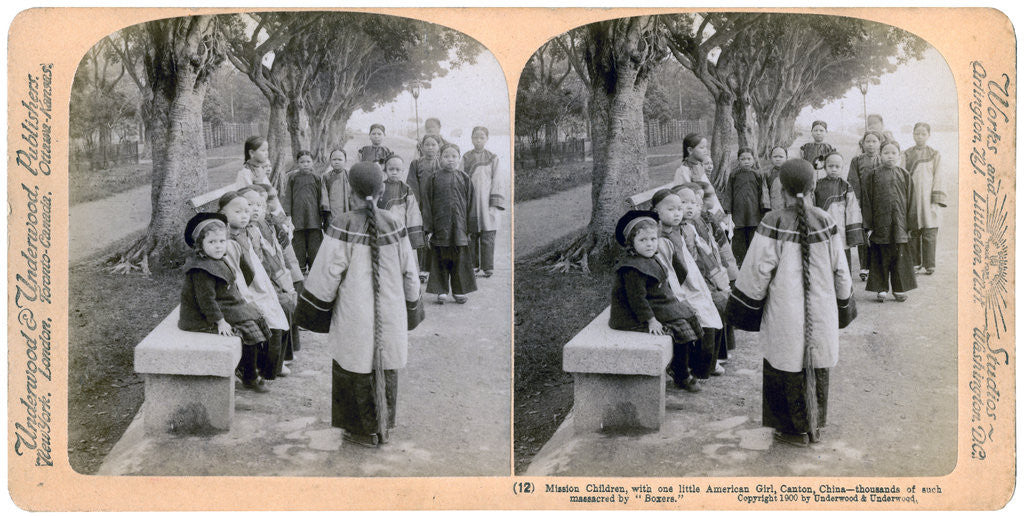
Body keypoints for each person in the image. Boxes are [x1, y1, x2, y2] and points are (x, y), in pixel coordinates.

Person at [726, 158, 856, 447]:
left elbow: (757, 271)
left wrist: (744, 309)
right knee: (816, 359)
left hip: (785, 312)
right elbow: (841, 269)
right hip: (821, 310)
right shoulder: (826, 221)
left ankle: (791, 430)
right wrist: (843, 304)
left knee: (785, 359)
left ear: (781, 188)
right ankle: (814, 424)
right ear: (813, 186)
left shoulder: (772, 221)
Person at [295, 161, 422, 448]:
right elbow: (410, 272)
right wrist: (412, 307)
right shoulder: (395, 223)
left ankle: (362, 431)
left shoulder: (342, 224)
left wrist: (313, 311)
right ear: (381, 191)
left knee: (355, 362)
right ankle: (383, 426)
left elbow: (327, 273)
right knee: (385, 361)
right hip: (390, 312)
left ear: (351, 192)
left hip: (355, 314)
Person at [609, 209, 703, 393]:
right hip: (632, 315)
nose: (649, 244)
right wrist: (651, 320)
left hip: (655, 302)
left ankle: (689, 366)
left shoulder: (650, 258)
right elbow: (637, 299)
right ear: (631, 243)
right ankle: (681, 374)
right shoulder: (632, 268)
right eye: (642, 240)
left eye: (653, 239)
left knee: (690, 317)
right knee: (680, 330)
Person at [179, 212, 272, 393]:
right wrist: (220, 321)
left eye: (222, 241)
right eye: (212, 242)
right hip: (201, 316)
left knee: (257, 318)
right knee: (248, 331)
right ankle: (249, 376)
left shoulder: (217, 259)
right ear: (200, 245)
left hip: (223, 304)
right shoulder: (201, 269)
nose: (218, 246)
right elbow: (206, 300)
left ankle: (252, 368)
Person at [218, 190, 289, 382]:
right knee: (267, 316)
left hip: (255, 285)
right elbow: (235, 276)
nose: (244, 215)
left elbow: (257, 266)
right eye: (237, 212)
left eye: (246, 211)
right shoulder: (224, 241)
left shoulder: (246, 234)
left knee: (279, 311)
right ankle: (258, 370)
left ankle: (270, 369)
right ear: (223, 214)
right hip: (240, 292)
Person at [861, 139, 916, 302]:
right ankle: (881, 287)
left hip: (900, 224)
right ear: (880, 154)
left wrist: (911, 225)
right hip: (880, 224)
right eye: (886, 153)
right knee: (881, 255)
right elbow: (866, 201)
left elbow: (912, 201)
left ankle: (899, 288)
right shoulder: (872, 175)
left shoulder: (904, 175)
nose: (890, 156)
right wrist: (868, 225)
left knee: (899, 256)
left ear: (899, 155)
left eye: (893, 153)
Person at [423, 143, 478, 304]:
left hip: (460, 227)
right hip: (440, 226)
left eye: (454, 156)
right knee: (441, 257)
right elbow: (427, 204)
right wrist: (428, 228)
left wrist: (471, 228)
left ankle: (459, 290)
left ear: (459, 158)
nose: (450, 160)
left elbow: (472, 204)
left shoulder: (464, 178)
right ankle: (441, 290)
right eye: (446, 156)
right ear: (440, 158)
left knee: (459, 258)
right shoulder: (433, 178)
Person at [903, 122, 947, 275]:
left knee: (930, 229)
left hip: (928, 198)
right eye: (917, 133)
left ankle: (929, 264)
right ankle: (915, 262)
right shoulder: (906, 154)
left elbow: (939, 176)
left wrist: (936, 198)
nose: (920, 137)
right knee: (913, 229)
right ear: (913, 134)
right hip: (913, 198)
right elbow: (902, 176)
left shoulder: (934, 154)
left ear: (929, 135)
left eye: (923, 134)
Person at [462, 126, 507, 278]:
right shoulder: (466, 157)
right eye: (475, 137)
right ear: (471, 139)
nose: (478, 140)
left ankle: (487, 266)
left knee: (488, 232)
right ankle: (473, 265)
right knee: (472, 233)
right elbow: (460, 178)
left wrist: (494, 202)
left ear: (487, 139)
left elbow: (498, 180)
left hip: (487, 201)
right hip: (471, 201)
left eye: (482, 137)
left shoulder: (492, 158)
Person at [814, 152, 865, 274]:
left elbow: (852, 210)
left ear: (842, 167)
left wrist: (852, 235)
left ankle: (845, 285)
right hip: (822, 228)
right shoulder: (817, 185)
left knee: (842, 265)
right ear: (825, 167)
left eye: (837, 167)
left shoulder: (845, 186)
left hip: (841, 231)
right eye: (830, 166)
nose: (834, 169)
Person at [283, 150, 330, 273]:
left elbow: (321, 197)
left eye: (308, 161)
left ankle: (314, 267)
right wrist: (288, 214)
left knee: (315, 243)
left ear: (312, 162)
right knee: (298, 242)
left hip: (313, 217)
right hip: (298, 217)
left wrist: (322, 214)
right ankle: (301, 267)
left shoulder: (316, 178)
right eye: (302, 162)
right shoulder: (293, 178)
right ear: (297, 163)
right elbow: (288, 197)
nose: (305, 164)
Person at [847, 131, 884, 281]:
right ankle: (864, 266)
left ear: (880, 143)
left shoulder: (883, 160)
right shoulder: (856, 161)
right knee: (863, 232)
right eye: (868, 141)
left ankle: (877, 266)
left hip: (879, 201)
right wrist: (856, 201)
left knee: (878, 232)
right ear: (862, 144)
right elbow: (853, 181)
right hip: (863, 201)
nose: (871, 144)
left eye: (874, 141)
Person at [722, 147, 767, 267]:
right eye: (742, 159)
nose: (746, 161)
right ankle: (740, 262)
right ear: (738, 160)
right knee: (739, 237)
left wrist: (764, 208)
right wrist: (728, 210)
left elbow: (762, 193)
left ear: (753, 160)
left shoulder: (757, 175)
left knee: (753, 237)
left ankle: (753, 262)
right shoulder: (734, 175)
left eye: (748, 159)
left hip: (754, 212)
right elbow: (729, 193)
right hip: (739, 213)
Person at [407, 134, 444, 280]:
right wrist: (416, 203)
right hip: (422, 205)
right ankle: (423, 269)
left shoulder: (442, 163)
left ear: (439, 146)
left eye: (433, 144)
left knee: (438, 235)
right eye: (427, 144)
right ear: (421, 147)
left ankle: (438, 269)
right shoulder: (416, 164)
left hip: (438, 204)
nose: (430, 148)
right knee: (422, 234)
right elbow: (412, 184)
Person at [673, 133, 725, 222]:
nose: (706, 151)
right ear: (690, 150)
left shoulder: (699, 166)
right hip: (696, 214)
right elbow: (681, 195)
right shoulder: (683, 171)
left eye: (706, 147)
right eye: (702, 147)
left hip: (709, 208)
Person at [378, 155, 425, 251]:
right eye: (391, 169)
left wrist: (414, 238)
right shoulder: (380, 187)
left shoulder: (406, 189)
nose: (394, 172)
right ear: (385, 170)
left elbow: (413, 213)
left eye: (398, 170)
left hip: (401, 230)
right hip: (383, 230)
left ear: (403, 171)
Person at [323, 148, 352, 226]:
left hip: (347, 207)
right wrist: (326, 211)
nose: (337, 162)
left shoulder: (350, 175)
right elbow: (324, 195)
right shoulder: (327, 177)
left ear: (345, 161)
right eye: (334, 159)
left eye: (340, 159)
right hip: (332, 210)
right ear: (330, 161)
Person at [765, 146, 788, 211]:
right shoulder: (768, 174)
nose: (778, 159)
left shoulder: (790, 172)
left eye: (781, 157)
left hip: (788, 204)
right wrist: (766, 206)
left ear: (786, 157)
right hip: (774, 204)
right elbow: (765, 191)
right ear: (770, 158)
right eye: (775, 157)